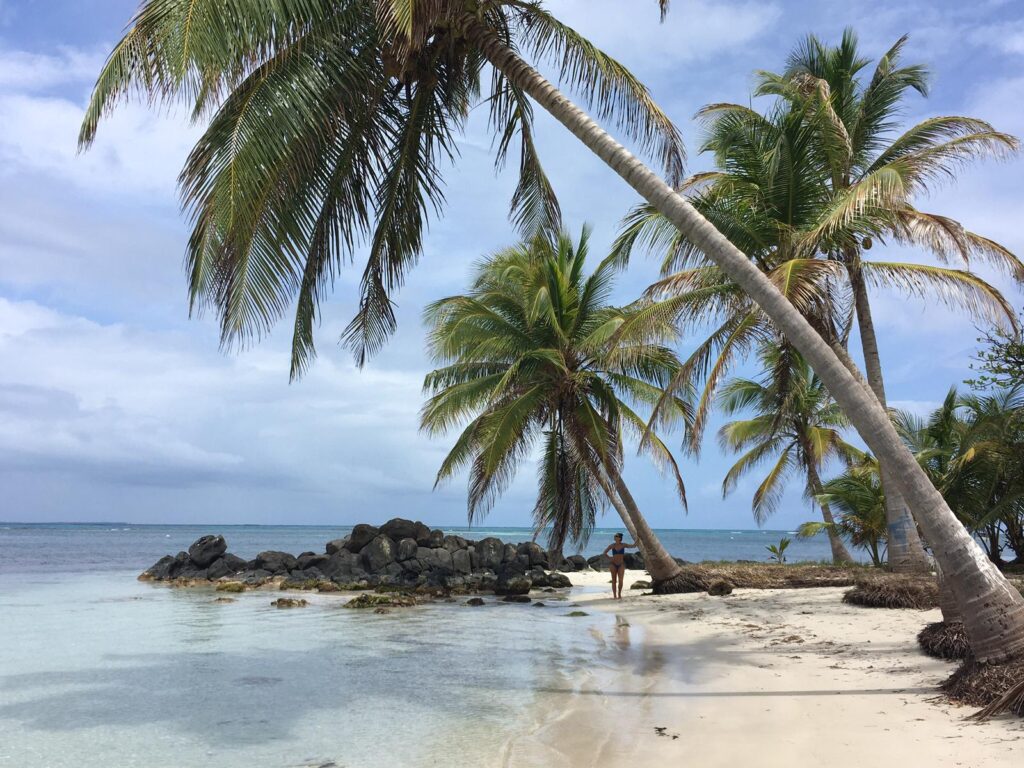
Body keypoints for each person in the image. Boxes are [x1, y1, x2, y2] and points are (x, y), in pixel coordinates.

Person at [601, 533, 637, 599]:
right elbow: (604, 553)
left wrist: (638, 540)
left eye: (616, 536)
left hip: (621, 564)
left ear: (620, 538)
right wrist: (610, 558)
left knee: (620, 580)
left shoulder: (623, 545)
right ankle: (614, 595)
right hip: (613, 564)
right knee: (614, 580)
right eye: (615, 536)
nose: (614, 537)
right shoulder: (612, 545)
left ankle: (619, 594)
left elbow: (634, 546)